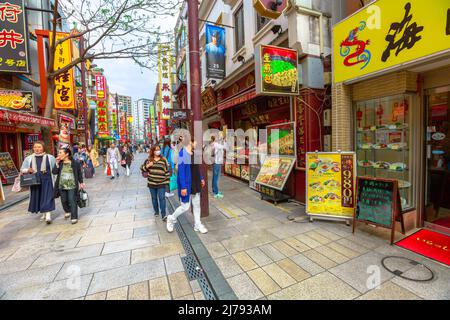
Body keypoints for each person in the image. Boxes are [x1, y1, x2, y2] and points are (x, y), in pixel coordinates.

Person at [166, 138, 208, 234]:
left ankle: (197, 224)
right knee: (185, 206)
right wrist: (183, 187)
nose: (197, 143)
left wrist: (201, 178)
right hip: (187, 184)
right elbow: (181, 173)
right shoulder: (182, 154)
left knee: (197, 205)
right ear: (190, 142)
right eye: (196, 142)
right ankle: (171, 218)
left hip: (196, 182)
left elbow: (197, 168)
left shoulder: (194, 153)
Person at [20, 141, 56, 224]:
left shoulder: (50, 158)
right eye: (35, 147)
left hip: (47, 181)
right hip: (35, 181)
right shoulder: (28, 158)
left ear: (43, 148)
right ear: (33, 148)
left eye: (39, 147)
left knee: (47, 197)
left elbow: (55, 169)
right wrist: (28, 169)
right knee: (39, 197)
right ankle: (43, 213)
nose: (37, 149)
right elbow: (22, 169)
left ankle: (48, 215)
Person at [53, 147, 85, 224]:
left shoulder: (75, 163)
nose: (59, 154)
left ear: (67, 154)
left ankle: (74, 217)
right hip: (61, 185)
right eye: (59, 152)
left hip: (72, 185)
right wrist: (56, 163)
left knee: (72, 200)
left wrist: (81, 182)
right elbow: (54, 172)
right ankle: (68, 211)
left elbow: (79, 173)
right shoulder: (60, 163)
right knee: (64, 201)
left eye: (60, 153)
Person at [141, 145, 170, 220]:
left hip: (161, 183)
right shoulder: (149, 160)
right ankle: (156, 211)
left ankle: (163, 214)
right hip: (152, 183)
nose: (158, 151)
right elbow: (142, 168)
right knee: (154, 198)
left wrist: (167, 182)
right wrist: (148, 166)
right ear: (153, 151)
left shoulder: (163, 159)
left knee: (162, 198)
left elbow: (167, 171)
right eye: (156, 150)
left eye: (159, 149)